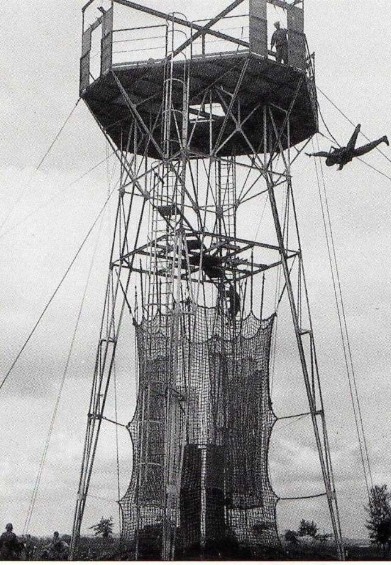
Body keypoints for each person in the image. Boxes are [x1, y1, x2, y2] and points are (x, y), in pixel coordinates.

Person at [306, 124, 389, 170]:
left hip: (347, 151)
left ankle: (356, 130)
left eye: (330, 162)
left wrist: (312, 154)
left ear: (329, 160)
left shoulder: (331, 156)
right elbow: (343, 162)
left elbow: (322, 153)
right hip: (352, 154)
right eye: (331, 164)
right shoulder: (337, 161)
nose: (332, 163)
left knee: (353, 141)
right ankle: (382, 139)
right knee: (367, 148)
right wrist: (340, 167)